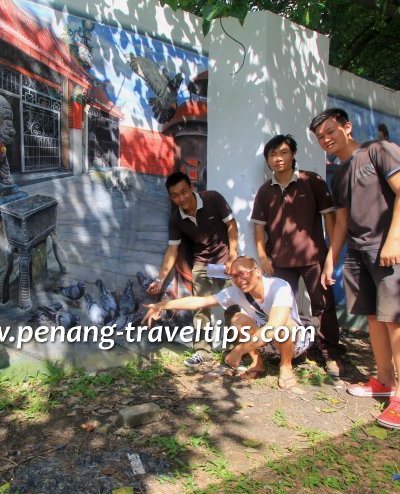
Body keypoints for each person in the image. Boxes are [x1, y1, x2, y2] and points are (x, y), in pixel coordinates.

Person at [309, 108, 400, 430]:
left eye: (330, 131)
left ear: (347, 127)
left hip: (393, 249)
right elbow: (342, 222)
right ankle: (385, 381)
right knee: (375, 319)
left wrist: (394, 239)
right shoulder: (340, 174)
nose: (326, 139)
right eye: (320, 137)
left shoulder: (378, 150)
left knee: (399, 320)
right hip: (360, 254)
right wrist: (332, 258)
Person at [252, 134, 346, 377]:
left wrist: (331, 255)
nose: (278, 158)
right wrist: (263, 256)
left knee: (323, 307)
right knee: (283, 309)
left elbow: (330, 219)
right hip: (280, 262)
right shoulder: (265, 191)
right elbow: (259, 227)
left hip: (314, 258)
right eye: (272, 154)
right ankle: (293, 352)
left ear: (293, 154)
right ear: (268, 160)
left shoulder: (311, 181)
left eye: (283, 152)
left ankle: (331, 354)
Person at [143, 257, 312, 389]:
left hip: (293, 345)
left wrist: (239, 350)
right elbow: (200, 302)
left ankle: (285, 366)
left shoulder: (279, 286)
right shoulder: (236, 292)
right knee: (238, 318)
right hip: (264, 346)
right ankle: (257, 364)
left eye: (243, 273)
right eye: (234, 276)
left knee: (285, 325)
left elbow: (273, 328)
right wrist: (163, 304)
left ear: (258, 271)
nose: (239, 280)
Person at [146, 171, 239, 368]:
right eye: (175, 195)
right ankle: (202, 351)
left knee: (231, 306)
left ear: (191, 188)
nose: (181, 198)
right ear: (171, 197)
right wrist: (160, 279)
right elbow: (172, 248)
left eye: (184, 192)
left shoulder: (213, 198)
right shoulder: (175, 219)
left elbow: (231, 225)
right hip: (202, 264)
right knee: (200, 308)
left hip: (224, 262)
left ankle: (234, 351)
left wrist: (233, 257)